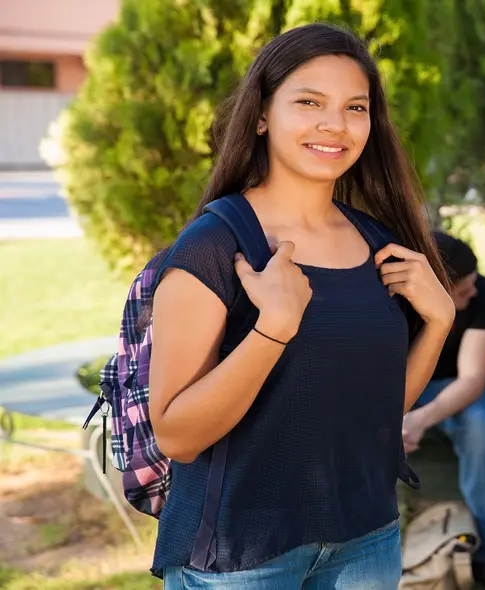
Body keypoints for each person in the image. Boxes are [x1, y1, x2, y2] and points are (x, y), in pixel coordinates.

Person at [146, 23, 455, 589]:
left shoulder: (377, 243)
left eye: (354, 107)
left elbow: (375, 416)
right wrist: (274, 329)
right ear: (262, 114)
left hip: (367, 539)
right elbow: (177, 436)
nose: (335, 124)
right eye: (309, 101)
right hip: (241, 557)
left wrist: (438, 323)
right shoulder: (216, 246)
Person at [403, 231, 485, 590]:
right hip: (395, 382)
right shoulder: (389, 300)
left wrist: (421, 419)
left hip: (454, 385)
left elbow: (473, 378)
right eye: (461, 290)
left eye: (474, 282)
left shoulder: (484, 295)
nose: (472, 292)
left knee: (480, 428)